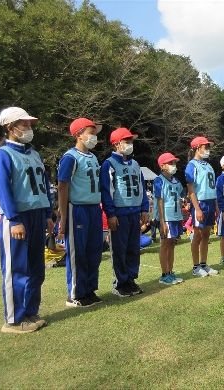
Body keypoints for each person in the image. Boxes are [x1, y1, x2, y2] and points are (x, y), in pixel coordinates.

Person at [0, 107, 54, 333]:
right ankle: (14, 319)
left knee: (36, 268)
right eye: (24, 125)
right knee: (16, 268)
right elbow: (2, 190)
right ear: (11, 128)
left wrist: (48, 214)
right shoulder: (3, 155)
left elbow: (45, 186)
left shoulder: (34, 154)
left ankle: (30, 311)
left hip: (38, 214)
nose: (29, 129)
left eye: (30, 125)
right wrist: (14, 219)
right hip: (18, 217)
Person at [58, 117, 104, 307]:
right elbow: (63, 187)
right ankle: (76, 293)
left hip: (94, 208)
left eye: (95, 133)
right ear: (79, 134)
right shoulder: (70, 157)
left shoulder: (93, 157)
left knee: (94, 250)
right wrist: (63, 216)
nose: (94, 136)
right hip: (77, 208)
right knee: (78, 252)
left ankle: (89, 289)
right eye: (91, 133)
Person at [100, 127, 149, 297]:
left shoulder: (135, 164)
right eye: (127, 141)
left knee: (133, 248)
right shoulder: (109, 164)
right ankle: (120, 283)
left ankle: (131, 280)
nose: (130, 144)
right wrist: (110, 214)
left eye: (131, 141)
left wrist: (144, 208)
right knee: (119, 250)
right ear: (116, 144)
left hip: (135, 211)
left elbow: (142, 187)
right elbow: (107, 191)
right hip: (119, 213)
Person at [185, 136, 220, 277]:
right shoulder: (192, 165)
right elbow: (191, 189)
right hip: (200, 203)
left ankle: (204, 263)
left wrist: (216, 205)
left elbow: (212, 187)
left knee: (206, 234)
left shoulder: (208, 165)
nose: (208, 150)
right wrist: (197, 208)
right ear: (198, 148)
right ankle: (195, 266)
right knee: (198, 235)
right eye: (206, 147)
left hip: (211, 202)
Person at [153, 152, 185, 285]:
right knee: (165, 244)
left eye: (174, 163)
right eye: (170, 163)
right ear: (162, 166)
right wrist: (162, 222)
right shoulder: (159, 180)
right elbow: (159, 202)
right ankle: (164, 274)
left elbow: (181, 197)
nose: (173, 165)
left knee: (172, 244)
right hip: (166, 218)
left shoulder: (176, 181)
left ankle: (170, 271)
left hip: (176, 216)